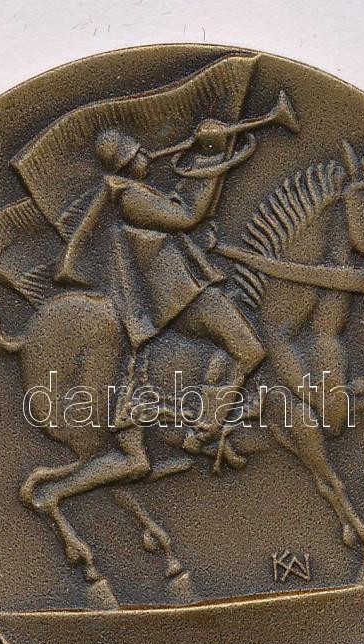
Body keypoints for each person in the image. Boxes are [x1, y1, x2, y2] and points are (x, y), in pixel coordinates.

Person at [55, 123, 265, 445]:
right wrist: (210, 156)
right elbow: (186, 216)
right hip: (180, 297)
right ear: (128, 161)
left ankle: (208, 416)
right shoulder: (129, 198)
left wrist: (208, 157)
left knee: (239, 349)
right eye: (138, 151)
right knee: (249, 350)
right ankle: (206, 428)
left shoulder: (137, 193)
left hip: (186, 290)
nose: (147, 154)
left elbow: (180, 213)